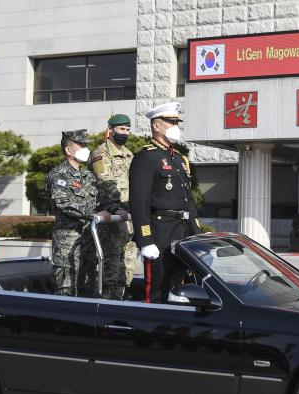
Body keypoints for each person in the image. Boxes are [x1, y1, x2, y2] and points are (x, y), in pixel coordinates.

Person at [129, 102, 201, 303]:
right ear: (156, 126)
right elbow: (139, 202)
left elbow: (189, 200)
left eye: (176, 121)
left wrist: (196, 232)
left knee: (182, 289)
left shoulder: (179, 159)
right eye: (170, 122)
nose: (174, 125)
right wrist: (145, 240)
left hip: (183, 230)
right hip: (160, 232)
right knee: (159, 289)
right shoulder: (146, 157)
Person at [46, 130, 121, 297]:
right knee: (66, 288)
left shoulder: (87, 175)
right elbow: (63, 203)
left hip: (88, 239)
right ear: (68, 150)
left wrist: (115, 209)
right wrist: (94, 214)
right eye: (81, 146)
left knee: (88, 285)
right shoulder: (59, 175)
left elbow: (101, 198)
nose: (86, 149)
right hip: (68, 243)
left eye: (87, 145)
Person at [88, 114, 136, 300]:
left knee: (127, 267)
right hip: (112, 215)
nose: (125, 133)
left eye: (127, 130)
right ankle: (106, 306)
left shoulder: (130, 154)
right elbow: (105, 180)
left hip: (129, 217)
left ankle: (121, 301)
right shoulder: (100, 153)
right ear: (111, 129)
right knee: (111, 267)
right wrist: (116, 206)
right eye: (121, 129)